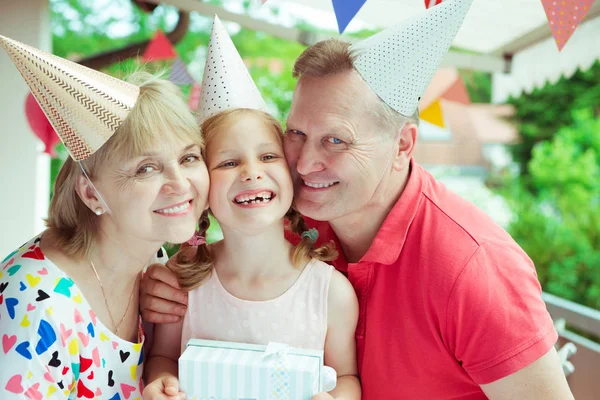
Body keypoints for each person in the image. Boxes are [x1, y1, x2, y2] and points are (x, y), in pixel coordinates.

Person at [140, 2, 575, 399]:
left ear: (403, 145)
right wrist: (155, 286)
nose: (306, 163)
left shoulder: (474, 268)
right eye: (296, 134)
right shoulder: (294, 220)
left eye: (335, 140)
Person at [142, 17, 360, 400]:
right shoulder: (184, 280)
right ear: (202, 187)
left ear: (291, 174)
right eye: (228, 163)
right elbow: (163, 357)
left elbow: (345, 377)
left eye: (268, 156)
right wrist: (162, 381)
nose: (251, 173)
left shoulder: (330, 292)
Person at [0, 35, 209, 400]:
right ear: (92, 193)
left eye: (189, 157)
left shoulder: (151, 263)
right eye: (146, 168)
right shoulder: (35, 306)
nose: (180, 183)